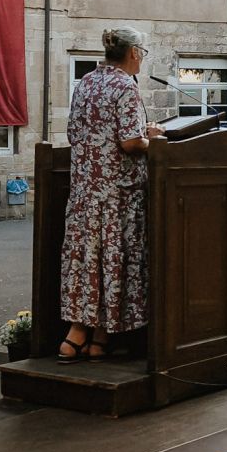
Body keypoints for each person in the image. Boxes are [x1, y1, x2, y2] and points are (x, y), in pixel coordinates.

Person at [58, 27, 162, 362]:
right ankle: (98, 337)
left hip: (86, 193)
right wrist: (154, 140)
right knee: (113, 261)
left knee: (88, 261)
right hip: (118, 195)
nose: (142, 59)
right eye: (142, 53)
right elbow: (129, 143)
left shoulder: (86, 82)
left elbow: (81, 132)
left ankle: (82, 334)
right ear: (133, 53)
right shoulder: (125, 86)